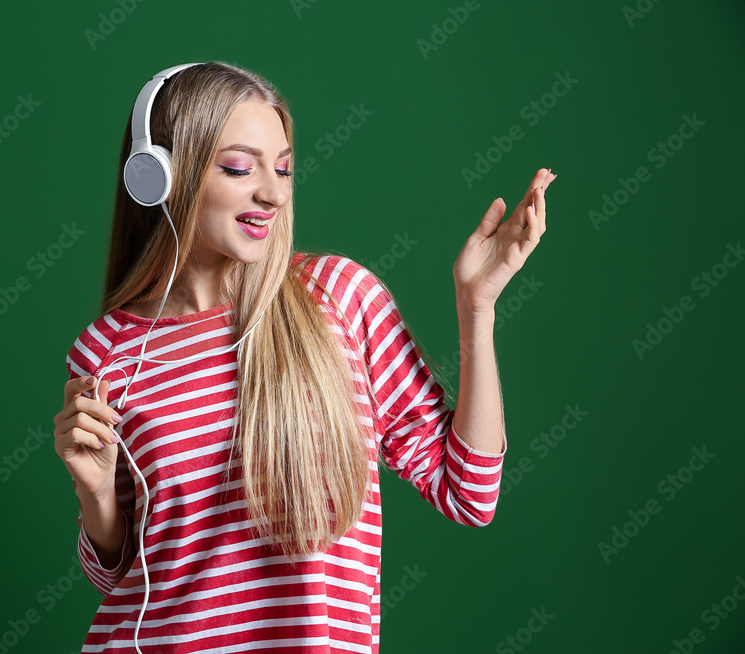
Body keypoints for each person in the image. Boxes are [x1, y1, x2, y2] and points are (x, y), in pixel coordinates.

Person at [53, 60, 556, 653]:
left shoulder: (340, 298)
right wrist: (94, 496)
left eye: (283, 168)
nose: (272, 191)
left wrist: (478, 310)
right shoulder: (107, 349)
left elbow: (468, 491)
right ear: (160, 175)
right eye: (239, 167)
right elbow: (116, 574)